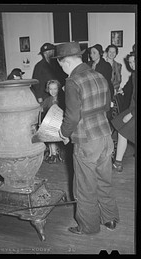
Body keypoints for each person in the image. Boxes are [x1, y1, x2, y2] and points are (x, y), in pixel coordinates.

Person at [53, 41, 119, 235]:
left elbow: (72, 117)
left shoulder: (72, 82)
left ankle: (88, 226)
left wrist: (63, 134)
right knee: (104, 180)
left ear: (64, 62)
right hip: (105, 135)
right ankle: (110, 219)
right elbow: (107, 106)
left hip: (86, 139)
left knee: (85, 186)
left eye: (61, 65)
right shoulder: (98, 75)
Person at [111, 51, 135, 173]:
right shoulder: (134, 75)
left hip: (134, 111)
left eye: (134, 61)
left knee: (123, 132)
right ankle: (118, 162)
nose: (132, 65)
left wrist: (131, 114)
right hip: (133, 108)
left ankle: (118, 162)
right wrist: (122, 91)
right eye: (130, 62)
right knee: (119, 125)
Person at [41, 79, 65, 163]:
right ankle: (53, 153)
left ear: (58, 89)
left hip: (61, 122)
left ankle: (57, 153)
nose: (53, 91)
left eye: (55, 89)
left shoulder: (63, 99)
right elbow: (42, 109)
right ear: (48, 89)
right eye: (51, 89)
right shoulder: (47, 100)